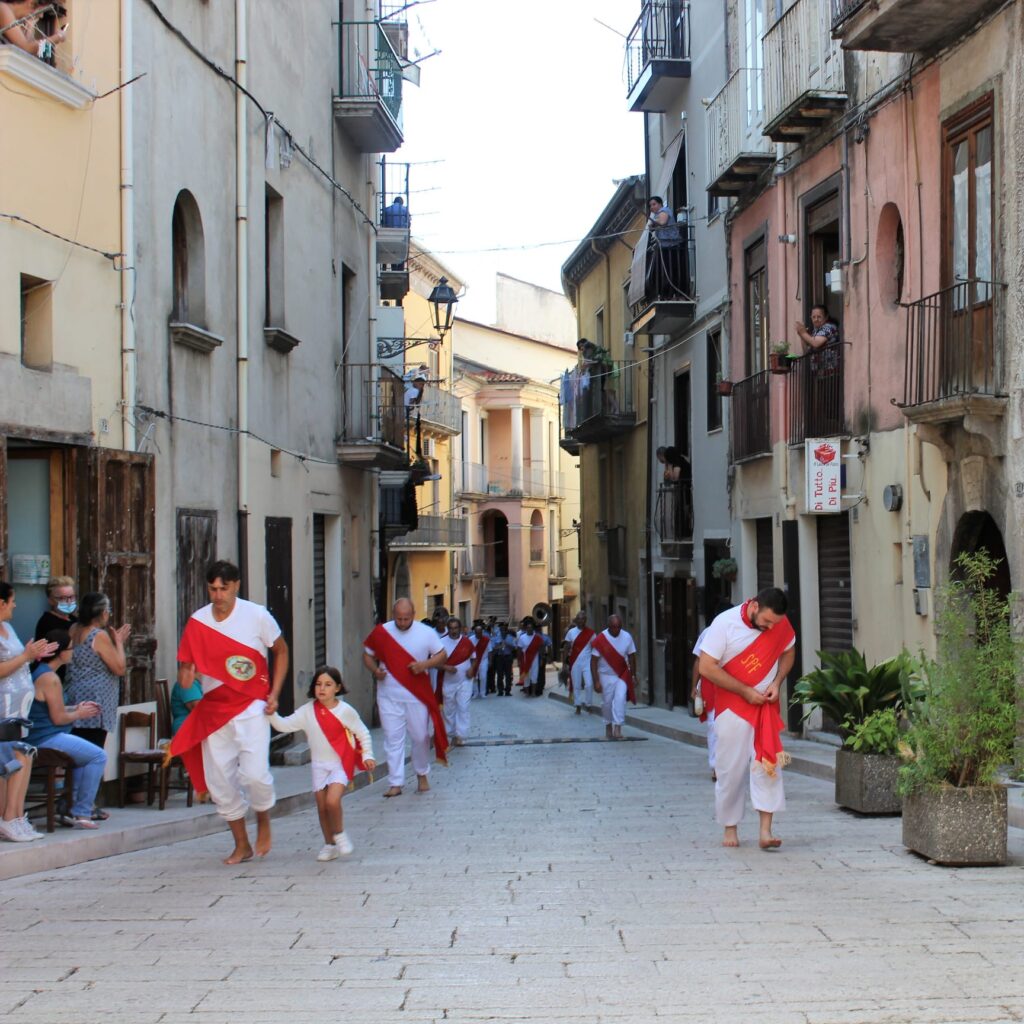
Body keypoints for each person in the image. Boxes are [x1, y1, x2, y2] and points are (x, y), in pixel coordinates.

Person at [171, 560, 290, 865]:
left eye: (224, 588)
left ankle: (263, 819)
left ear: (236, 585)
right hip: (213, 708)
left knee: (255, 775)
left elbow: (281, 651)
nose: (218, 594)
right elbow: (186, 675)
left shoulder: (257, 615)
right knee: (220, 781)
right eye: (213, 588)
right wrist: (187, 675)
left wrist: (274, 693)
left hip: (251, 702)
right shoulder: (198, 622)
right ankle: (241, 844)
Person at [697, 587, 795, 851]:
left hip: (765, 706)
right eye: (765, 622)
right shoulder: (724, 624)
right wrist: (744, 691)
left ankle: (766, 830)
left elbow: (789, 650)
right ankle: (730, 826)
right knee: (730, 768)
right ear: (753, 606)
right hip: (733, 706)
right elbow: (706, 667)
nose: (769, 628)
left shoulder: (778, 622)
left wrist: (777, 682)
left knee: (767, 765)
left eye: (774, 624)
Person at [268, 666, 375, 862]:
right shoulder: (307, 711)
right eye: (318, 684)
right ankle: (329, 845)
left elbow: (362, 732)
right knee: (322, 807)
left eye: (328, 684)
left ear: (337, 688)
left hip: (340, 763)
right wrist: (271, 713)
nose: (322, 689)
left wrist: (368, 755)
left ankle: (340, 834)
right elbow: (283, 725)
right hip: (319, 765)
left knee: (332, 801)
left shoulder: (345, 711)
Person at [363, 598, 448, 798]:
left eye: (406, 618)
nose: (402, 622)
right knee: (393, 739)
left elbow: (442, 655)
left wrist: (424, 665)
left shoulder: (426, 633)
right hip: (388, 695)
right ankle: (395, 783)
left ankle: (421, 773)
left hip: (416, 694)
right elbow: (367, 654)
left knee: (420, 737)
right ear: (393, 615)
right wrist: (376, 670)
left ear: (414, 614)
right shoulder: (382, 632)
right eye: (398, 619)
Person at [26, 630, 107, 831]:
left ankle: (73, 809)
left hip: (46, 734)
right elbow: (58, 717)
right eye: (71, 647)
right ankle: (82, 812)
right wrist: (80, 714)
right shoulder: (49, 678)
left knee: (85, 757)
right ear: (60, 652)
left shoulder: (45, 673)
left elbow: (55, 710)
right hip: (44, 737)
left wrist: (78, 708)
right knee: (98, 756)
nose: (74, 652)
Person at [0, 582, 55, 842]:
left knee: (25, 755)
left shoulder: (8, 628)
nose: (15, 605)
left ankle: (17, 815)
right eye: (12, 601)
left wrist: (34, 654)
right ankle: (8, 817)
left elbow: (19, 659)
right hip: (3, 706)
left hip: (18, 707)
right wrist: (25, 656)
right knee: (12, 759)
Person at [65, 592, 130, 755]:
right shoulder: (98, 635)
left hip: (76, 692)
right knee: (93, 749)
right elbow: (119, 668)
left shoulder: (74, 629)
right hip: (97, 697)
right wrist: (119, 643)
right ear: (102, 612)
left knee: (77, 746)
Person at [591, 614, 638, 740]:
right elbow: (594, 661)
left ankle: (618, 727)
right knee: (607, 702)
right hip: (605, 675)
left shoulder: (627, 637)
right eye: (613, 627)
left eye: (618, 627)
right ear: (608, 626)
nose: (616, 629)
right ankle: (607, 724)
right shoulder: (601, 638)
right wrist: (596, 681)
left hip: (622, 674)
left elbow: (632, 656)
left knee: (620, 699)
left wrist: (633, 675)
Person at [438, 616, 475, 747]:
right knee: (449, 710)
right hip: (448, 683)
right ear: (448, 629)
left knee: (463, 707)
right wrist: (446, 667)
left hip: (465, 682)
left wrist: (472, 669)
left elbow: (474, 658)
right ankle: (452, 734)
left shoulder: (467, 642)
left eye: (456, 628)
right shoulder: (441, 643)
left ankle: (461, 735)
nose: (454, 631)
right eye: (451, 628)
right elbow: (434, 662)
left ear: (460, 628)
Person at [689, 627, 716, 780]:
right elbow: (698, 660)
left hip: (732, 683)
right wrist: (694, 686)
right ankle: (716, 767)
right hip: (710, 684)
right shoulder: (708, 633)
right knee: (713, 725)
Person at [0, 1, 67, 59]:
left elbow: (31, 54)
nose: (41, 16)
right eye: (41, 11)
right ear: (31, 3)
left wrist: (30, 28)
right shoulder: (3, 9)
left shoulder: (20, 23)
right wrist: (58, 37)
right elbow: (27, 48)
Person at [561, 611, 596, 715]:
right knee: (576, 684)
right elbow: (566, 647)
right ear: (576, 620)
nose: (581, 621)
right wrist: (564, 663)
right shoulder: (571, 632)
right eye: (579, 619)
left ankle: (589, 704)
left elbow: (595, 648)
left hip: (587, 663)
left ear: (585, 620)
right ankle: (578, 705)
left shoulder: (591, 633)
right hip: (575, 662)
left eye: (583, 619)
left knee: (589, 684)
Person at [34, 575, 77, 640]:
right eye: (63, 598)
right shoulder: (47, 623)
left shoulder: (74, 619)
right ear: (50, 600)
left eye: (72, 597)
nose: (69, 601)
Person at [515, 616, 549, 696]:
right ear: (526, 628)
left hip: (535, 659)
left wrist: (541, 660)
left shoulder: (537, 637)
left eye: (531, 627)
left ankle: (533, 692)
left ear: (533, 628)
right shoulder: (522, 637)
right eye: (528, 627)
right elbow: (519, 650)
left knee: (534, 675)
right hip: (525, 659)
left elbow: (541, 649)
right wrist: (519, 661)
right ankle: (527, 692)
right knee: (526, 676)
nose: (529, 629)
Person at [491, 622, 515, 696]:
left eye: (504, 629)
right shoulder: (496, 637)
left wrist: (508, 643)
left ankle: (508, 690)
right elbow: (493, 648)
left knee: (508, 674)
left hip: (508, 656)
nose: (503, 631)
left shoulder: (510, 637)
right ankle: (500, 690)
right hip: (500, 657)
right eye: (502, 629)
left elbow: (514, 647)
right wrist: (499, 646)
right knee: (500, 674)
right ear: (500, 630)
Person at [469, 621, 490, 700]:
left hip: (483, 660)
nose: (478, 634)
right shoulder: (471, 639)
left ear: (482, 632)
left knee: (483, 677)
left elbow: (490, 650)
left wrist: (490, 661)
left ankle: (483, 693)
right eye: (477, 633)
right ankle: (475, 692)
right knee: (474, 677)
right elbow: (469, 651)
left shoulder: (486, 640)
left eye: (480, 633)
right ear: (474, 632)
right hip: (473, 660)